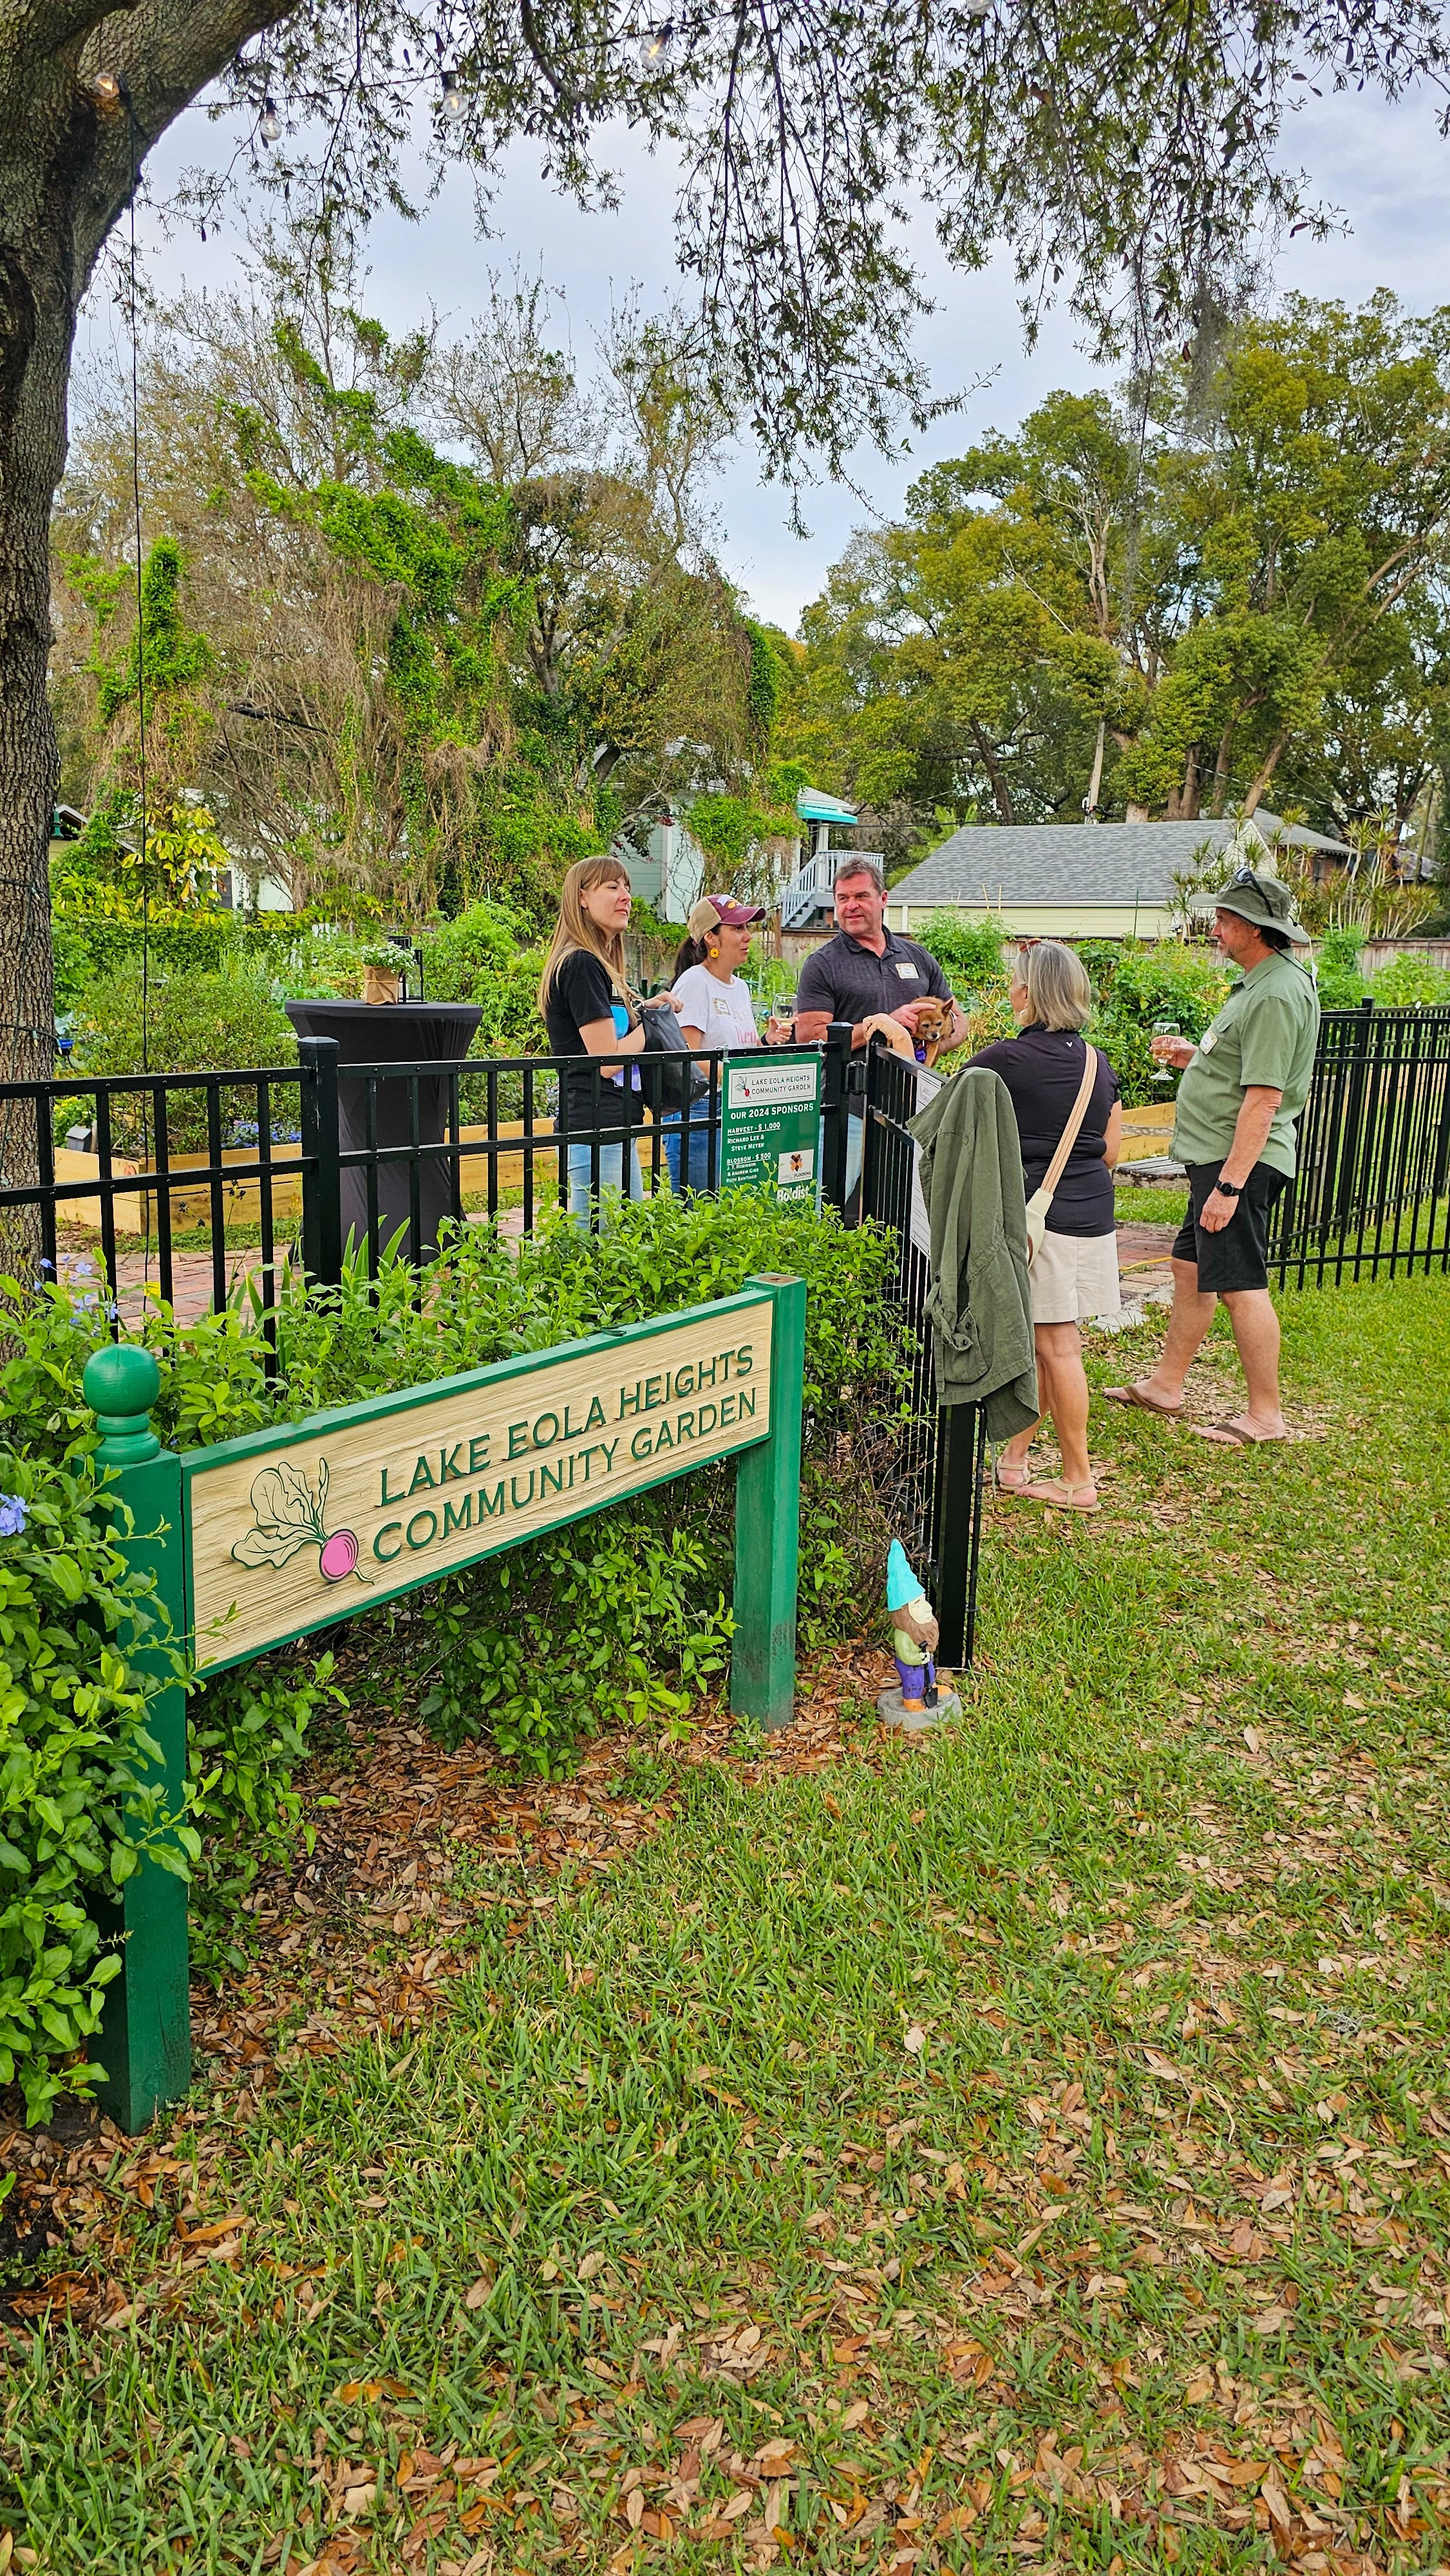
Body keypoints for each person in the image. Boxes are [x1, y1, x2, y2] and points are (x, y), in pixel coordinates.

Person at [1105, 866, 1321, 1446]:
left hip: (1238, 1165)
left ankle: (1266, 1417)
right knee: (1190, 1268)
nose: (1216, 929)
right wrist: (1189, 1059)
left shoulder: (1275, 993)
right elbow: (1238, 1070)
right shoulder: (1258, 984)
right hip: (1218, 1161)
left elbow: (1265, 1098)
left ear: (1255, 928)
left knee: (1240, 1284)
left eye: (1225, 921)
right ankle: (1166, 1386)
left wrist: (1228, 1188)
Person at [966, 942, 1123, 1511]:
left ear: (1029, 993)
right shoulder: (1096, 1063)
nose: (1010, 990)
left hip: (1041, 1221)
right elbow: (1111, 1152)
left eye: (1014, 982)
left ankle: (1079, 1479)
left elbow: (947, 1111)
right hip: (1092, 1214)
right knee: (1046, 1342)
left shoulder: (1004, 1059)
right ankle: (1015, 1460)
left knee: (1058, 1348)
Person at [793, 858, 970, 1208]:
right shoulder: (823, 964)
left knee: (905, 1210)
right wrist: (883, 1025)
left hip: (913, 1108)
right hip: (850, 1109)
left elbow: (958, 1022)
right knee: (826, 1206)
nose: (851, 906)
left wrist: (928, 1038)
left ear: (884, 898)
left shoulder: (917, 956)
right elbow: (811, 1036)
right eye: (842, 898)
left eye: (861, 896)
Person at [538, 855, 677, 1222]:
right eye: (612, 887)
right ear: (582, 897)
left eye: (628, 888)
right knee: (596, 1249)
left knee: (619, 1248)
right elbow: (606, 1060)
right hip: (593, 1128)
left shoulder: (598, 964)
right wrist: (653, 1025)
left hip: (615, 1122)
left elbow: (610, 1028)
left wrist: (648, 1006)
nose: (626, 897)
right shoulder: (581, 963)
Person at [666, 893, 767, 1192]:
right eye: (737, 929)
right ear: (711, 938)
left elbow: (741, 1053)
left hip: (736, 1107)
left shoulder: (742, 988)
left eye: (748, 928)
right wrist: (742, 1077)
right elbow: (690, 1060)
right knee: (699, 1214)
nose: (748, 936)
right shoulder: (695, 982)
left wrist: (767, 1042)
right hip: (701, 1109)